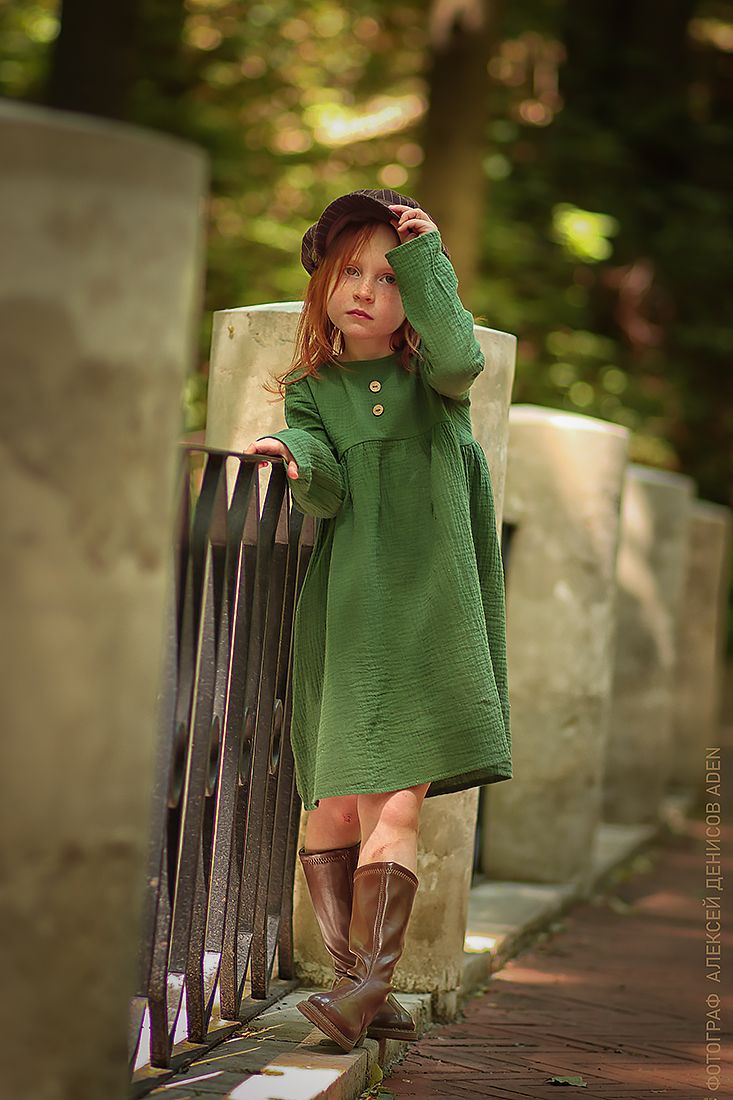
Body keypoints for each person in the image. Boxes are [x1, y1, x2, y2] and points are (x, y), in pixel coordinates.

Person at [243, 188, 512, 1053]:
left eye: (388, 277)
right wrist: (292, 451)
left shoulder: (432, 378)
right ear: (322, 282)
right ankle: (359, 987)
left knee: (394, 797)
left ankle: (364, 988)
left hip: (428, 608)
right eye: (349, 272)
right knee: (332, 803)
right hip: (353, 606)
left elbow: (463, 357)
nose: (365, 290)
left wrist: (426, 256)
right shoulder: (314, 390)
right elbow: (323, 488)